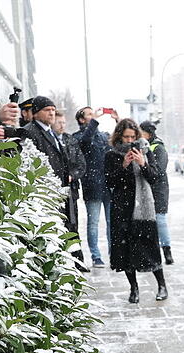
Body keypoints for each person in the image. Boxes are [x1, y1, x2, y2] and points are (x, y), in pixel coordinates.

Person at [105, 119, 168, 303]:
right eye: (126, 137)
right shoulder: (111, 155)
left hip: (143, 209)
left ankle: (161, 285)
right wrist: (123, 166)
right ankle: (134, 288)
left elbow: (155, 177)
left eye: (133, 137)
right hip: (121, 208)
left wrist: (143, 164)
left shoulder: (146, 151)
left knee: (150, 247)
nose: (130, 141)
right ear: (119, 136)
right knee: (125, 250)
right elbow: (110, 182)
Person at [22, 96, 88, 270]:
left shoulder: (51, 132)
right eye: (47, 109)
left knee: (70, 226)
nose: (51, 112)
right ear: (35, 113)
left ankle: (73, 261)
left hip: (63, 190)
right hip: (48, 192)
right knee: (57, 229)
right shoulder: (31, 131)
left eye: (53, 109)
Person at [73, 106, 117, 268]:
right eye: (89, 115)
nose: (93, 117)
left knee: (112, 222)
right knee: (93, 223)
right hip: (92, 186)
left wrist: (118, 121)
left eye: (93, 114)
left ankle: (114, 254)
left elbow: (118, 143)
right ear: (81, 120)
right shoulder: (77, 137)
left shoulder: (103, 136)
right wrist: (95, 122)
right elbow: (84, 141)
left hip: (108, 185)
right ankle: (96, 256)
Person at [140, 121, 173, 265]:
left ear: (148, 133)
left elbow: (159, 171)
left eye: (141, 132)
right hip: (145, 188)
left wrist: (145, 168)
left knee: (160, 220)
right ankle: (149, 250)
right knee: (146, 220)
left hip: (158, 189)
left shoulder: (158, 147)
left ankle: (167, 250)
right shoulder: (141, 146)